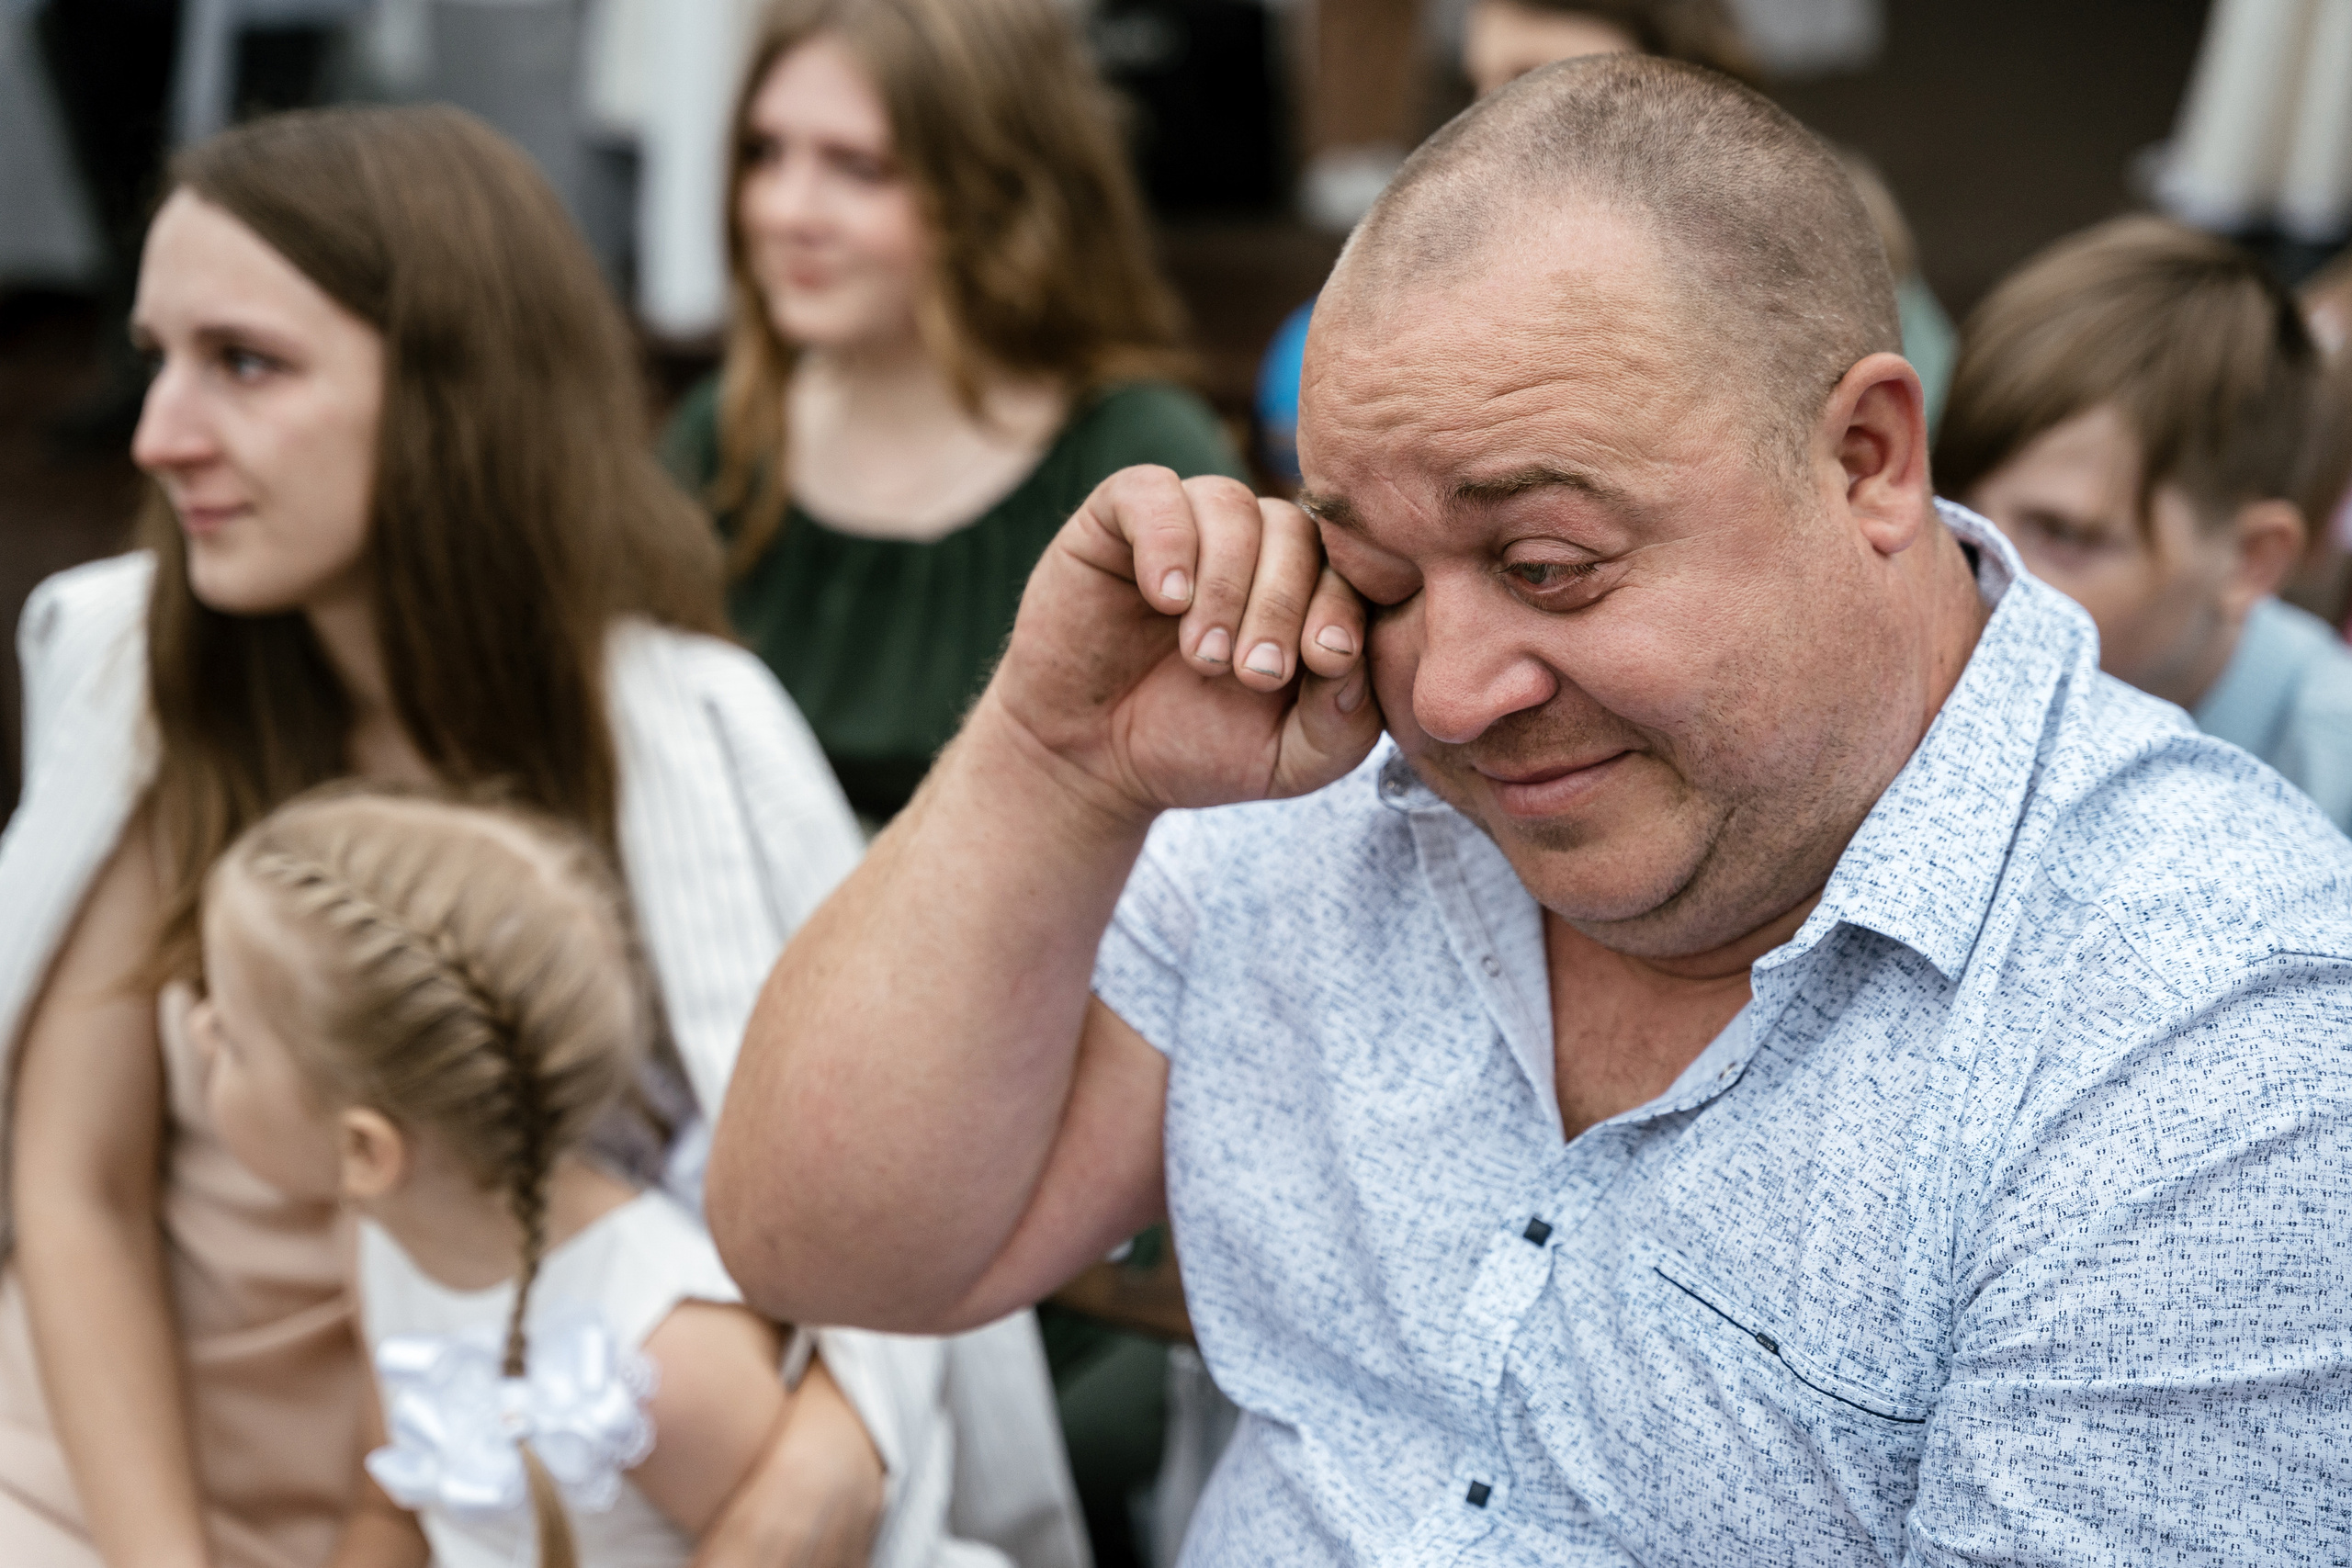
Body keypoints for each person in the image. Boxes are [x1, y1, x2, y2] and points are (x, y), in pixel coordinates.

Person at [709, 54, 2352, 1566]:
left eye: (1548, 564)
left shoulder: (2212, 1027)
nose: (1446, 693)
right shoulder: (1315, 767)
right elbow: (830, 1244)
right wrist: (1060, 759)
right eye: (1378, 573)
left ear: (1865, 458)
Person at [0, 104, 1079, 1568]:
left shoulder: (683, 737)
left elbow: (853, 1180)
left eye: (244, 362)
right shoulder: (144, 675)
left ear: (450, 388)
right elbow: (76, 1188)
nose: (159, 434)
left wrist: (836, 1442)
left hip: (513, 1507)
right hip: (112, 1475)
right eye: (158, 357)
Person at [661, 0, 1246, 827]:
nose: (787, 210)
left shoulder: (1139, 454)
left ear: (995, 191)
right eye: (765, 153)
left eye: (859, 167)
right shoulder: (722, 440)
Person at [196, 790, 792, 1568]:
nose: (197, 1029)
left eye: (231, 1036)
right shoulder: (383, 1241)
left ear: (365, 1152)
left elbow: (813, 1542)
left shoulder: (666, 1352)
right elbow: (392, 1509)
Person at [1252, 0, 1954, 486]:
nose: (1488, 116)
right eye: (1477, 83)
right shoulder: (1441, 272)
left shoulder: (1817, 232)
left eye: (1535, 77)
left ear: (1676, 69)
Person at [1939, 215, 2352, 831]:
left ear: (2250, 560)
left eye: (2064, 535)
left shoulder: (2330, 780)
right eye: (1955, 518)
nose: (1980, 577)